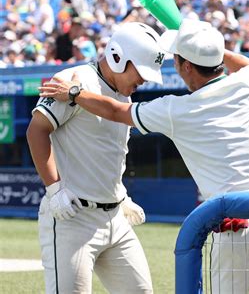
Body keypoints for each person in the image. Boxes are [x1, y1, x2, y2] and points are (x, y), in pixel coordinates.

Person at [39, 18, 249, 294]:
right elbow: (247, 65)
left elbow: (114, 111)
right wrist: (207, 46)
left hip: (233, 220)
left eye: (178, 60)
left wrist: (75, 93)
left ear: (187, 66)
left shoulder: (177, 109)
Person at [27, 22, 167, 294]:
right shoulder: (73, 78)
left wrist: (121, 194)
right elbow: (36, 130)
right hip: (73, 217)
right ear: (117, 57)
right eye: (140, 71)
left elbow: (110, 151)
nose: (144, 80)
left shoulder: (123, 96)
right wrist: (54, 188)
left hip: (115, 218)